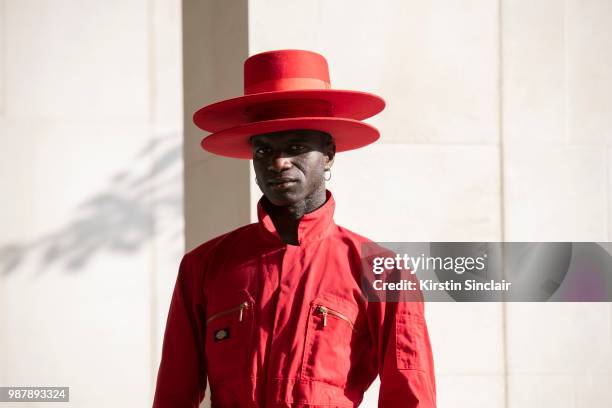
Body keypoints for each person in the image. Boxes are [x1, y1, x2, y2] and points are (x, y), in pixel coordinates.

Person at [152, 49, 436, 407]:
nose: (278, 162)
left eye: (297, 147)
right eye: (263, 150)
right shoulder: (203, 267)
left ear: (329, 153)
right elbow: (173, 394)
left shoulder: (384, 273)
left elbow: (411, 396)